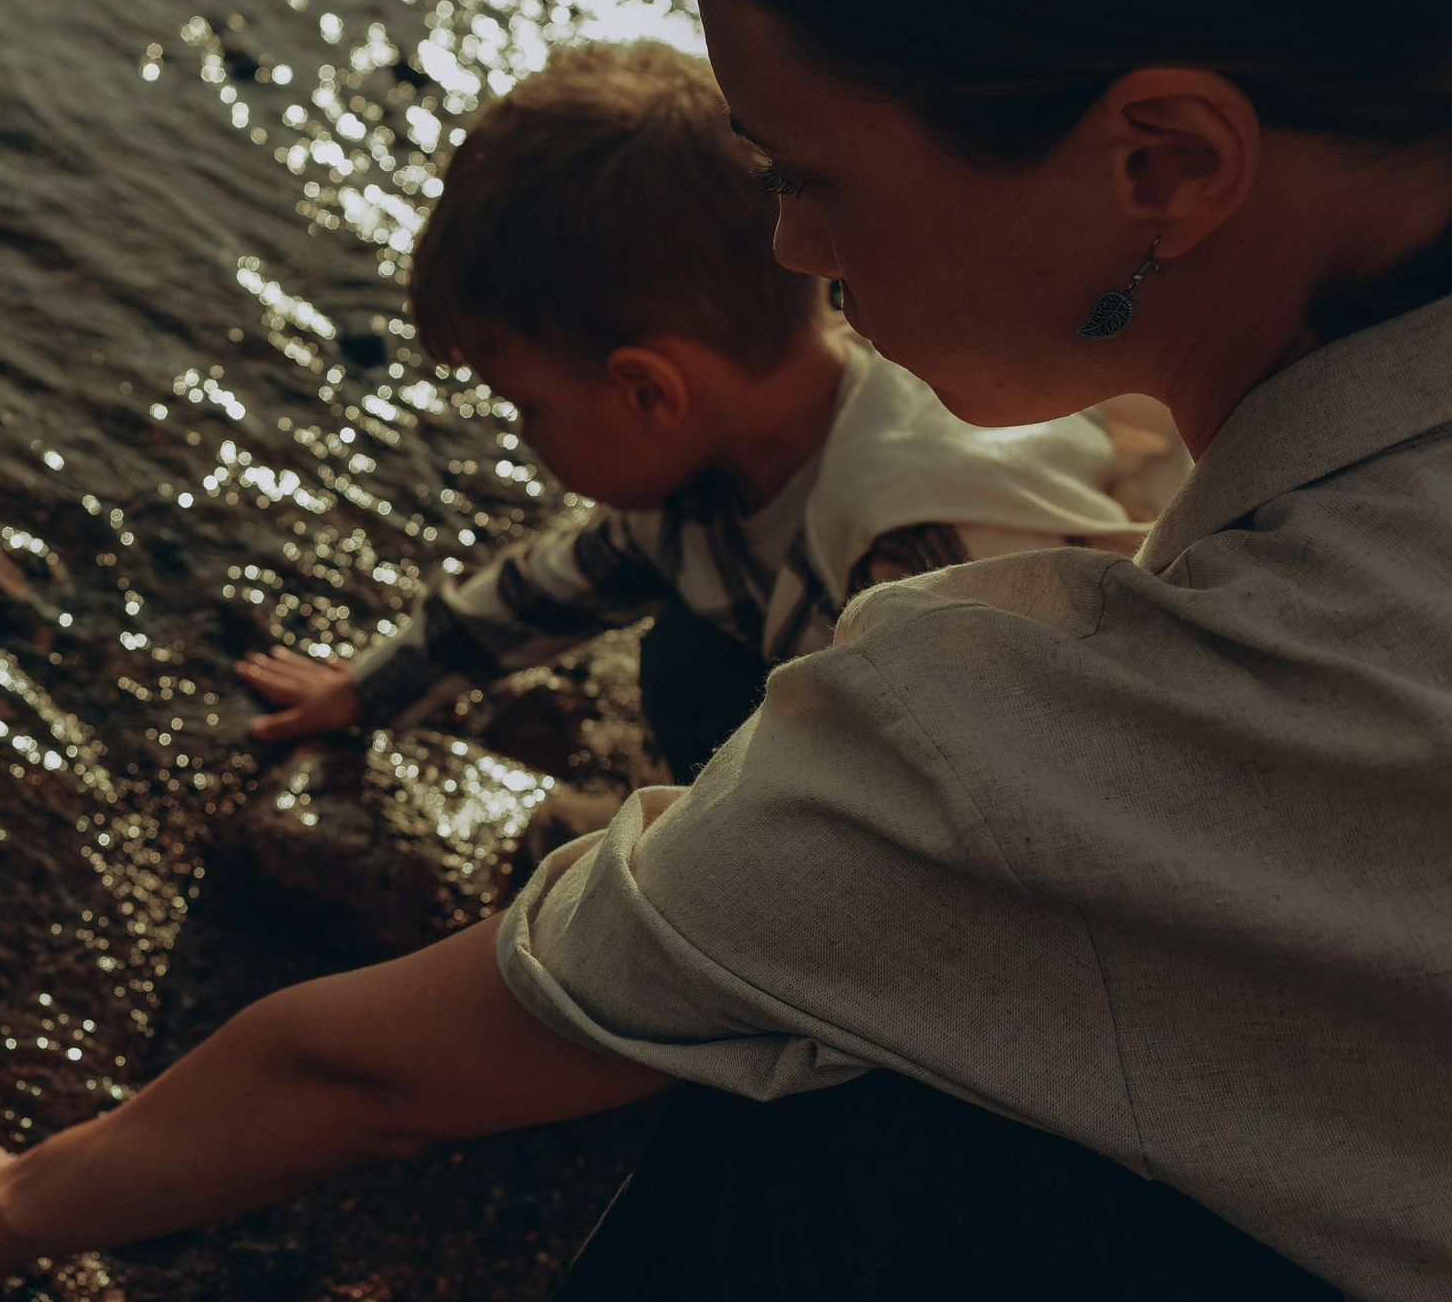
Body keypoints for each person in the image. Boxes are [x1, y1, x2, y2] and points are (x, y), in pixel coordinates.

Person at [0, 0, 1452, 1302]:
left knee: (830, 1131)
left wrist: (9, 1201)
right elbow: (577, 576)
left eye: (808, 173)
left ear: (1161, 162)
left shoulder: (1006, 692)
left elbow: (354, 1074)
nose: (785, 250)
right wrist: (389, 682)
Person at [232, 42, 1180, 781]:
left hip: (1020, 820)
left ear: (651, 390)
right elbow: (555, 586)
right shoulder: (719, 466)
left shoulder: (912, 550)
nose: (527, 441)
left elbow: (1001, 791)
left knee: (699, 674)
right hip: (858, 702)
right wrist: (366, 692)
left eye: (528, 409)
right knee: (686, 645)